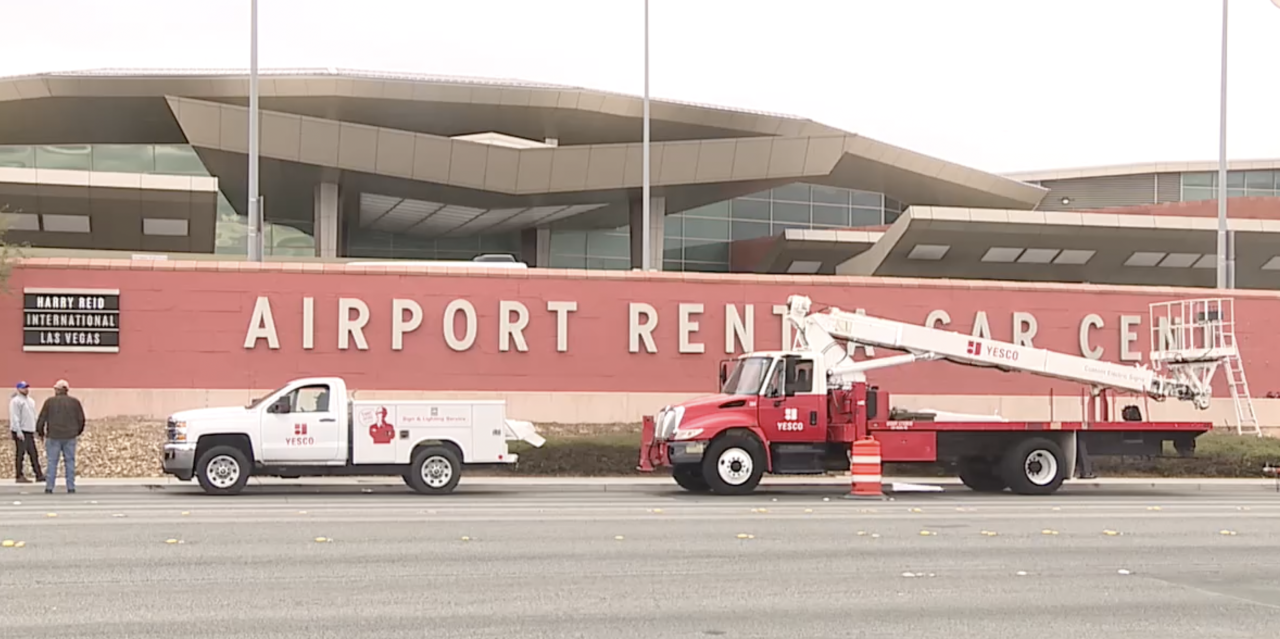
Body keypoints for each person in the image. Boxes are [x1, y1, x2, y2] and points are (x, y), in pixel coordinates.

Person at [35, 379, 85, 494]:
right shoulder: (75, 402)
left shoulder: (49, 402)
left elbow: (41, 419)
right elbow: (81, 419)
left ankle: (49, 487)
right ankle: (71, 487)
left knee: (52, 462)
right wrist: (77, 432)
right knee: (70, 461)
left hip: (53, 435)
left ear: (57, 390)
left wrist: (41, 433)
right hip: (70, 436)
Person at [9, 381, 43, 484]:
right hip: (20, 430)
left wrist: (36, 428)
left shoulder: (30, 401)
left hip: (29, 430)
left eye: (27, 387)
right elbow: (14, 416)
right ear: (18, 389)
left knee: (33, 453)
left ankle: (39, 474)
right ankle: (19, 475)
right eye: (24, 388)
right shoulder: (16, 401)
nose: (26, 389)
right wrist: (18, 430)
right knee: (20, 454)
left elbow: (33, 415)